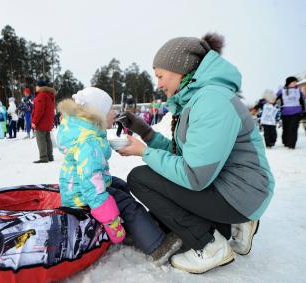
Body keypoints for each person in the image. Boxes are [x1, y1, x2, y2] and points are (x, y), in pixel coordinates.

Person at [117, 33, 274, 273]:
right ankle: (232, 226)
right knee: (169, 211)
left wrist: (145, 153)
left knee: (141, 178)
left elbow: (194, 175)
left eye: (160, 76)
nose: (158, 84)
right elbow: (185, 154)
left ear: (180, 69)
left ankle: (210, 245)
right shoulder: (199, 98)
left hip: (240, 192)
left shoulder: (212, 100)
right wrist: (143, 131)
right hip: (230, 186)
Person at [57, 87, 169, 255]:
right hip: (83, 199)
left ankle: (137, 229)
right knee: (129, 207)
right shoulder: (89, 143)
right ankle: (157, 245)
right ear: (97, 114)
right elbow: (92, 186)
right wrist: (110, 220)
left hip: (77, 190)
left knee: (120, 185)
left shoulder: (85, 133)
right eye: (110, 108)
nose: (114, 111)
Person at [275, 76, 306, 149]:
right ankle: (286, 141)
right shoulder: (282, 90)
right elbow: (273, 98)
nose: (295, 83)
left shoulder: (298, 91)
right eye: (293, 82)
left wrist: (304, 111)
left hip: (296, 112)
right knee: (286, 129)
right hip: (285, 113)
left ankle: (292, 144)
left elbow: (303, 101)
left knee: (293, 128)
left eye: (296, 82)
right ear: (288, 83)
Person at [31, 80, 55, 163]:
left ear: (39, 86)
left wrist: (34, 122)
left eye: (36, 86)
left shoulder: (41, 95)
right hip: (47, 121)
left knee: (41, 139)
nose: (35, 87)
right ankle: (50, 156)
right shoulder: (49, 95)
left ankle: (43, 157)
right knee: (47, 139)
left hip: (41, 122)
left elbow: (39, 110)